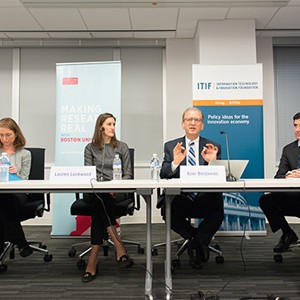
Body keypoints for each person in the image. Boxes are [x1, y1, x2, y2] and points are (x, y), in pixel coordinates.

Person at [159, 107, 224, 268]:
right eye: (189, 120)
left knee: (217, 210)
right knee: (168, 210)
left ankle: (195, 243)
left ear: (202, 125)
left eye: (197, 120)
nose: (193, 123)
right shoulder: (171, 146)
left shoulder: (213, 146)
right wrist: (175, 162)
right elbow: (163, 173)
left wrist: (212, 163)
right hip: (182, 197)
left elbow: (220, 177)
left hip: (204, 197)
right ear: (183, 124)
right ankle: (198, 242)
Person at [81, 113, 134, 283]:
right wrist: (103, 187)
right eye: (109, 124)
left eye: (114, 124)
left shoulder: (122, 147)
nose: (112, 127)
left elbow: (128, 175)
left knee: (100, 205)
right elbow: (88, 174)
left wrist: (115, 188)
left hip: (116, 192)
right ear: (100, 127)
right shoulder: (90, 148)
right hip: (95, 191)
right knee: (101, 198)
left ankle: (92, 260)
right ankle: (118, 245)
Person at [259, 112, 300, 253]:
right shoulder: (288, 150)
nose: (297, 130)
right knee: (266, 200)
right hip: (294, 198)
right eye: (295, 125)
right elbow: (279, 178)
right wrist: (288, 176)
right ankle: (288, 233)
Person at [0, 117, 33, 258]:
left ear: (16, 134)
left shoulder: (25, 154)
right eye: (1, 135)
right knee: (3, 199)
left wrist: (16, 173)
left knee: (5, 198)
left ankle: (3, 244)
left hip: (18, 192)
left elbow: (25, 179)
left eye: (8, 135)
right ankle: (20, 241)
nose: (4, 139)